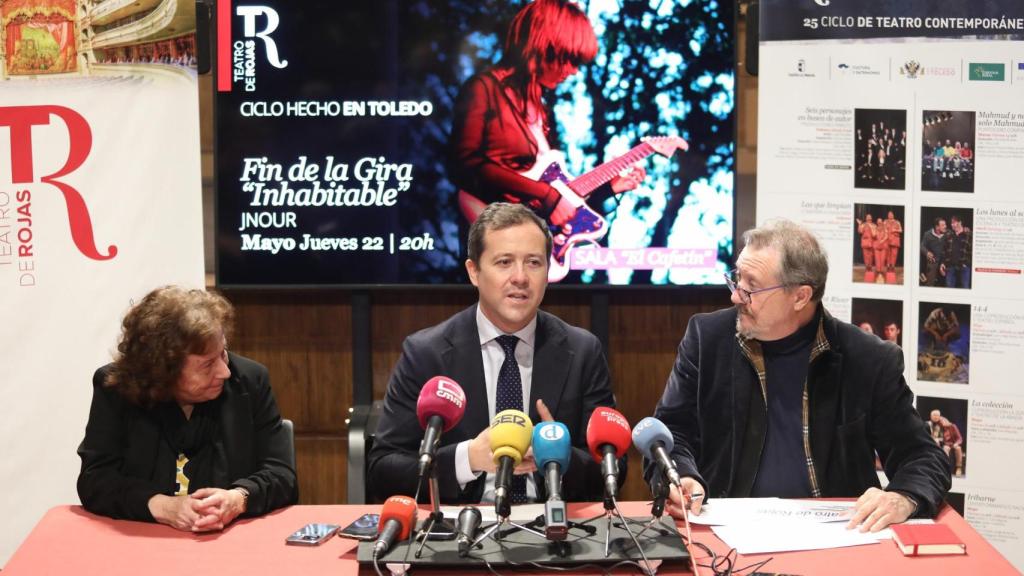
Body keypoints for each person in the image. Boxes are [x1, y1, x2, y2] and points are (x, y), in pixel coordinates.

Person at [649, 219, 950, 532]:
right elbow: (670, 433)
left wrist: (903, 496)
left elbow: (923, 456)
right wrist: (680, 475)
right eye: (736, 279)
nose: (736, 296)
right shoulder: (708, 339)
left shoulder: (868, 359)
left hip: (835, 536)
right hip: (725, 529)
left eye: (750, 287)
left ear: (800, 296)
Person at [368, 202, 622, 503]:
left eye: (534, 263)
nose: (520, 277)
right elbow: (383, 470)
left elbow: (615, 469)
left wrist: (557, 456)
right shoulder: (426, 353)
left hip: (553, 533)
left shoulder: (582, 351)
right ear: (473, 271)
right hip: (458, 534)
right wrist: (468, 459)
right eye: (504, 262)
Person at [77, 287, 297, 531]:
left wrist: (238, 499)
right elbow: (95, 480)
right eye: (207, 364)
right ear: (163, 370)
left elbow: (281, 475)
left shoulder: (248, 381)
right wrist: (164, 507)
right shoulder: (116, 388)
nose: (225, 371)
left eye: (223, 353)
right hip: (143, 541)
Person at [448, 0, 645, 265]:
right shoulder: (483, 89)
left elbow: (553, 193)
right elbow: (464, 164)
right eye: (570, 58)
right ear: (544, 46)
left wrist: (606, 190)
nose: (573, 71)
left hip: (535, 248)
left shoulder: (542, 111)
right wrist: (548, 196)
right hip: (494, 246)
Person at [943, 215, 972, 288]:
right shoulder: (949, 234)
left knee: (965, 288)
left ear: (960, 222)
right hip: (951, 267)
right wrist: (943, 263)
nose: (952, 224)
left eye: (954, 222)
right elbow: (944, 250)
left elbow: (972, 251)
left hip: (964, 267)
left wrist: (967, 263)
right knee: (949, 288)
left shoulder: (968, 234)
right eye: (951, 223)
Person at [920, 217, 947, 286]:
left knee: (945, 283)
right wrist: (927, 252)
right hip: (933, 261)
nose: (945, 226)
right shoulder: (928, 234)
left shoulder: (947, 233)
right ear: (937, 227)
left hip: (944, 261)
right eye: (943, 225)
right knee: (930, 283)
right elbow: (921, 246)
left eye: (945, 224)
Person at [884, 210, 902, 276]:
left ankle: (893, 266)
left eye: (891, 214)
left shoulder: (897, 222)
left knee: (894, 254)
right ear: (888, 215)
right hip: (887, 239)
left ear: (893, 215)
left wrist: (895, 230)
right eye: (889, 214)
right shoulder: (885, 222)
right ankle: (888, 266)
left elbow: (900, 230)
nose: (890, 215)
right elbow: (883, 229)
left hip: (895, 240)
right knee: (887, 254)